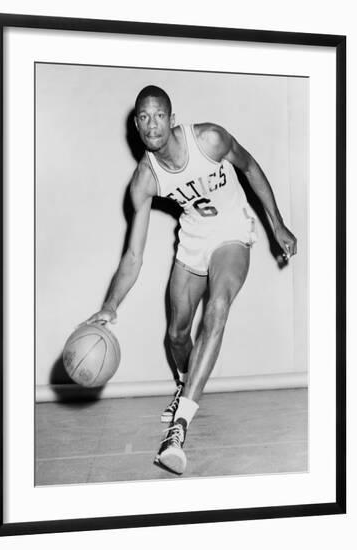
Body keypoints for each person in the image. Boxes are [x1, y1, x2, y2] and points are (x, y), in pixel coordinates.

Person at [86, 85, 297, 475]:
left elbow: (250, 168)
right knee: (177, 336)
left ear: (172, 118)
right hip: (193, 241)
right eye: (144, 118)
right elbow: (133, 256)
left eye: (159, 115)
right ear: (136, 125)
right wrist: (109, 307)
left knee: (217, 309)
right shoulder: (145, 180)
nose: (152, 124)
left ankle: (179, 428)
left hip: (232, 232)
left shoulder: (209, 140)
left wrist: (277, 225)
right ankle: (185, 385)